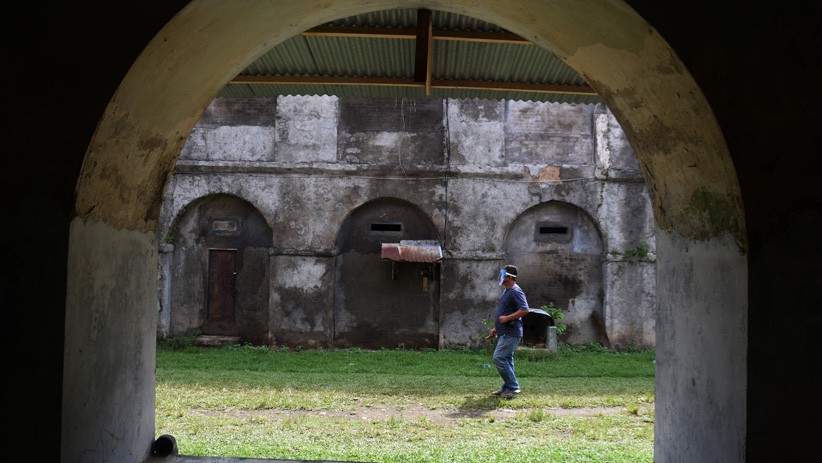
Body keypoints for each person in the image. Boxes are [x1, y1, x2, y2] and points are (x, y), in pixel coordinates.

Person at [488, 264, 530, 398]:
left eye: (503, 274)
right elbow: (505, 310)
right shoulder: (507, 291)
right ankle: (507, 388)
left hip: (511, 332)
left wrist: (506, 318)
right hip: (504, 332)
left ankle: (513, 387)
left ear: (510, 277)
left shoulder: (516, 291)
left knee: (499, 357)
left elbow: (524, 309)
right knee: (506, 359)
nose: (501, 277)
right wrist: (496, 328)